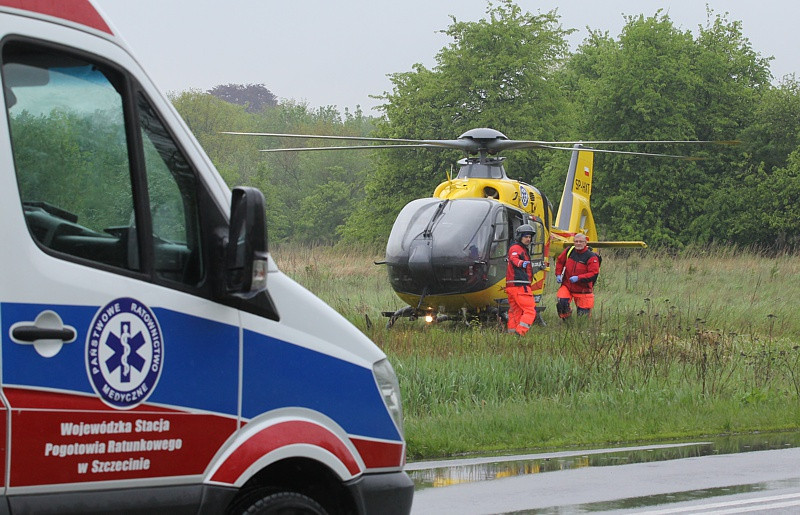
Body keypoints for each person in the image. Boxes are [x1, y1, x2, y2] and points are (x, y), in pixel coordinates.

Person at [555, 233, 600, 319]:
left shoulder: (591, 257)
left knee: (583, 317)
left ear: (585, 243)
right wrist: (558, 274)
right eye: (576, 241)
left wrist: (578, 278)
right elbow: (560, 262)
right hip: (567, 285)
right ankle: (567, 323)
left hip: (583, 289)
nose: (578, 243)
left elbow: (593, 274)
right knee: (562, 303)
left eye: (581, 241)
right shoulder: (569, 251)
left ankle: (580, 328)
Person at [506, 224, 538, 335]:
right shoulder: (516, 248)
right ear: (520, 237)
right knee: (530, 310)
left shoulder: (520, 248)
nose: (528, 239)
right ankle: (520, 333)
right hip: (520, 285)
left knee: (515, 311)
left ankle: (512, 333)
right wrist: (521, 263)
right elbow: (514, 258)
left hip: (512, 286)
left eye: (529, 237)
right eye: (526, 237)